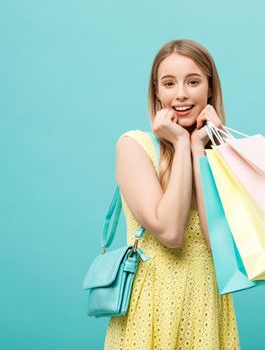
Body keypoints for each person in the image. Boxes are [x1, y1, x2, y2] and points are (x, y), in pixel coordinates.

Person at [104, 39, 240, 349]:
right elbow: (170, 232)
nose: (180, 93)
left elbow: (220, 245)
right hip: (151, 308)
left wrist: (197, 150)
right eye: (169, 83)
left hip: (207, 305)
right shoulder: (134, 146)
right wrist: (180, 144)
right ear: (156, 92)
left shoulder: (222, 156)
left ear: (209, 89)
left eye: (193, 82)